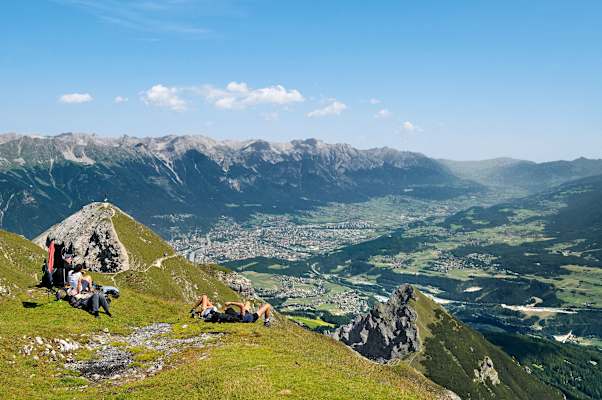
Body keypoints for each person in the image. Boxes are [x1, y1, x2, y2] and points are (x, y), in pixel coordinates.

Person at [191, 294, 272, 327]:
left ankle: (193, 309)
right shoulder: (240, 317)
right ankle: (266, 322)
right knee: (267, 305)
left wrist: (196, 310)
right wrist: (230, 303)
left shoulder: (207, 311)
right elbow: (241, 305)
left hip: (244, 314)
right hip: (251, 317)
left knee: (247, 302)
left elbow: (220, 310)